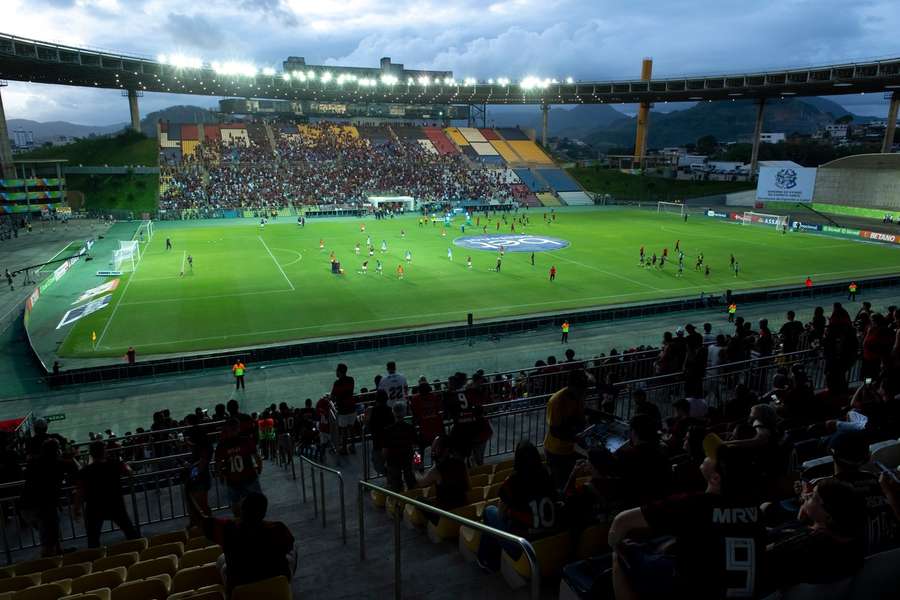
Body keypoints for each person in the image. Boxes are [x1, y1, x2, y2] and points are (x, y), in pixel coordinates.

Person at [607, 435, 766, 600]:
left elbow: (621, 522)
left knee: (620, 553)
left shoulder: (694, 506)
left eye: (712, 457)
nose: (707, 455)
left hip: (695, 592)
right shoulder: (754, 509)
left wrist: (613, 544)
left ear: (716, 478)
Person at [186, 490, 295, 595]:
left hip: (241, 590)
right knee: (292, 553)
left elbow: (199, 519)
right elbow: (289, 545)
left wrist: (187, 494)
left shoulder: (227, 529)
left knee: (222, 563)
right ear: (264, 512)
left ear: (242, 511)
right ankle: (285, 590)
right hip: (276, 584)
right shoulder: (278, 529)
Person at [766, 479, 866, 590]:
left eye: (813, 495)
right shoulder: (853, 543)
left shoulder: (804, 546)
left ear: (828, 514)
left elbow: (763, 558)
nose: (807, 495)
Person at [477, 441, 559, 571]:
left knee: (489, 511)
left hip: (522, 544)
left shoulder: (513, 481)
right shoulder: (547, 475)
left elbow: (500, 514)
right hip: (547, 538)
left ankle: (487, 561)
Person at [75, 441, 139, 548]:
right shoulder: (115, 464)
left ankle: (94, 560)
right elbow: (129, 472)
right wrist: (124, 463)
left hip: (94, 506)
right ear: (104, 451)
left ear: (91, 453)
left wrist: (76, 508)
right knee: (130, 533)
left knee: (93, 540)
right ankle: (139, 551)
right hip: (115, 503)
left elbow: (80, 491)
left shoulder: (85, 471)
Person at [21, 438, 79, 556]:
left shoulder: (35, 461)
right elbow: (77, 469)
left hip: (26, 505)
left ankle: (57, 551)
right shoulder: (59, 463)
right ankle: (49, 563)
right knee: (48, 536)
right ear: (57, 451)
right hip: (43, 505)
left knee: (51, 529)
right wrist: (71, 457)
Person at [543, 369, 590, 489]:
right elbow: (555, 431)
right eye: (580, 390)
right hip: (556, 451)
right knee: (560, 485)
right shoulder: (556, 402)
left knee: (570, 482)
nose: (583, 393)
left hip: (570, 449)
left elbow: (580, 417)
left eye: (584, 390)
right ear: (571, 387)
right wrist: (576, 438)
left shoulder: (578, 396)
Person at [216, 418, 263, 517]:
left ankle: (239, 522)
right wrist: (259, 467)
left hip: (233, 479)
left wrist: (220, 475)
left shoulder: (222, 445)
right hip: (249, 476)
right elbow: (256, 456)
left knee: (235, 502)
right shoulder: (245, 440)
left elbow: (219, 463)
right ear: (238, 429)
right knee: (257, 500)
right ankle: (257, 521)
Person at [382, 404, 417, 491]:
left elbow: (385, 450)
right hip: (407, 458)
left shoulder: (387, 430)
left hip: (392, 460)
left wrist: (385, 461)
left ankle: (398, 501)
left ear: (393, 413)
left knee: (396, 484)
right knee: (410, 481)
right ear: (404, 413)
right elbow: (414, 445)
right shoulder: (410, 428)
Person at [331, 363, 357, 454]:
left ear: (339, 372)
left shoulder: (337, 383)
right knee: (351, 428)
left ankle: (344, 448)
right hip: (352, 408)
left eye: (337, 371)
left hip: (343, 409)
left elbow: (333, 397)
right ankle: (353, 447)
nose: (336, 372)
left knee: (344, 430)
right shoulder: (351, 380)